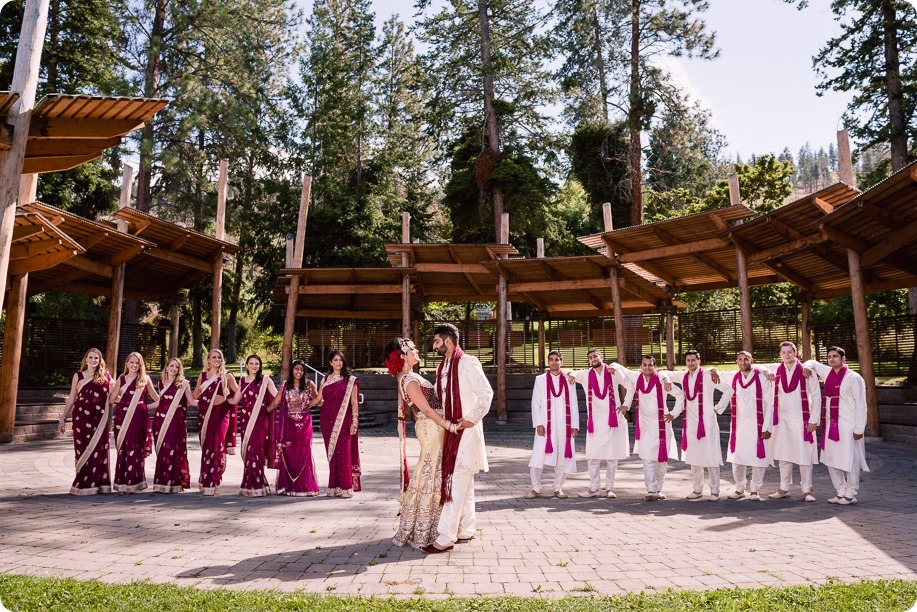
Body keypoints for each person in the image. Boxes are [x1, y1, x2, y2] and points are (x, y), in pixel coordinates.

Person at [429, 323, 494, 553]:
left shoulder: (467, 362)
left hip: (465, 431)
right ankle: (466, 529)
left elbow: (486, 393)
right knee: (464, 484)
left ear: (447, 341)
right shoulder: (443, 367)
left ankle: (445, 537)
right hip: (451, 431)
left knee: (456, 483)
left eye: (437, 341)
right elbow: (439, 396)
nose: (434, 345)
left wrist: (471, 418)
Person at [387, 338, 451, 550]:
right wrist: (447, 424)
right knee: (429, 471)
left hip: (432, 427)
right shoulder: (408, 379)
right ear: (403, 356)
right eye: (412, 349)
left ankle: (431, 524)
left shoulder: (409, 376)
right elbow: (426, 409)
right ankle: (424, 528)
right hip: (431, 427)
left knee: (432, 470)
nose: (416, 350)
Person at [662, 350, 733, 502]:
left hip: (707, 423)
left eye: (693, 360)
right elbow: (665, 373)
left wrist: (717, 408)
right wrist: (666, 379)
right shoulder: (683, 376)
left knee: (711, 457)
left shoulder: (708, 375)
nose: (691, 363)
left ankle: (715, 491)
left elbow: (729, 390)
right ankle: (697, 489)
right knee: (694, 458)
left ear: (699, 361)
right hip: (690, 423)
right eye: (688, 360)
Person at [613, 355, 683, 501]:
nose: (647, 367)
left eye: (650, 365)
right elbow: (621, 368)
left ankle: (658, 489)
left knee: (661, 460)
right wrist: (613, 366)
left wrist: (673, 414)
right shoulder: (636, 377)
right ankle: (651, 490)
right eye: (644, 365)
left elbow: (680, 394)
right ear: (640, 367)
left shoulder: (661, 380)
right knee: (647, 459)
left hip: (662, 425)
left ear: (655, 367)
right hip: (645, 426)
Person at [804, 347, 869, 505]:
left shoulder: (854, 378)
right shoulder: (827, 373)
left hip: (849, 426)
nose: (832, 359)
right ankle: (840, 491)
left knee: (850, 460)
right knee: (831, 459)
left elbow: (861, 405)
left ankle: (851, 493)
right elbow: (811, 362)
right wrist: (806, 367)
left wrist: (859, 429)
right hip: (830, 426)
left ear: (843, 358)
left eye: (835, 356)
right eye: (829, 357)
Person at [567, 349, 634, 499]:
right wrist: (570, 374)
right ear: (589, 361)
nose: (593, 359)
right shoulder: (585, 375)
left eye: (595, 356)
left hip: (613, 419)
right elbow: (570, 373)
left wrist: (626, 405)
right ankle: (594, 487)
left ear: (601, 357)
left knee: (612, 457)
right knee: (593, 456)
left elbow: (630, 386)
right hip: (595, 421)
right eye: (590, 357)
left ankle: (610, 488)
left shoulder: (613, 372)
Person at [710, 352, 775, 501]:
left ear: (752, 360)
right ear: (736, 361)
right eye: (739, 359)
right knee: (737, 457)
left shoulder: (761, 377)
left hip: (758, 424)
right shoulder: (732, 376)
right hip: (739, 424)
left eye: (746, 359)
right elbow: (714, 373)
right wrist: (713, 369)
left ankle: (755, 490)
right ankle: (739, 488)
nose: (743, 362)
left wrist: (767, 427)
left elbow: (769, 403)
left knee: (759, 458)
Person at [762, 341, 821, 502]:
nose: (787, 355)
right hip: (782, 419)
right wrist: (766, 370)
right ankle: (784, 488)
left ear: (796, 353)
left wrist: (813, 419)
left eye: (790, 352)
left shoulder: (806, 371)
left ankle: (806, 490)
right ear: (780, 355)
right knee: (784, 454)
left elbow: (816, 397)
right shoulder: (777, 370)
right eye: (783, 352)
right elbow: (755, 366)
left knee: (804, 455)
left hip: (802, 419)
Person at [58, 348, 113, 495]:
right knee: (81, 449)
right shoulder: (78, 376)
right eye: (91, 357)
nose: (93, 360)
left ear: (100, 360)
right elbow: (71, 398)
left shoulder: (105, 376)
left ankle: (99, 484)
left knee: (99, 449)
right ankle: (82, 483)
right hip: (81, 418)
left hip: (99, 419)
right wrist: (63, 417)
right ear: (86, 359)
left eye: (96, 358)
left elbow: (117, 390)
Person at [526, 350, 580, 500]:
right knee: (538, 455)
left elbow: (574, 403)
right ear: (548, 362)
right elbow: (535, 403)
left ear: (561, 362)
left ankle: (558, 487)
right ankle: (536, 487)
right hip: (546, 424)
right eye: (551, 359)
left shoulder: (569, 380)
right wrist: (538, 423)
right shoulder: (541, 379)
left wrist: (575, 424)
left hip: (564, 424)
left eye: (557, 359)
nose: (554, 362)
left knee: (563, 455)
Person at [267, 358, 320, 496]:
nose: (299, 372)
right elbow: (277, 401)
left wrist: (310, 405)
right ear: (292, 370)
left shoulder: (310, 385)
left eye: (302, 370)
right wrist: (266, 409)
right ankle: (289, 486)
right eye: (296, 369)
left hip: (304, 423)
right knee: (289, 454)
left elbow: (318, 399)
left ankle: (304, 486)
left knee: (304, 452)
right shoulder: (285, 385)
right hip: (288, 423)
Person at [111, 352, 158, 494]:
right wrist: (126, 401)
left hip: (139, 417)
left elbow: (158, 399)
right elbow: (112, 398)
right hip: (122, 417)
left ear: (141, 365)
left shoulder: (145, 379)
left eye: (137, 363)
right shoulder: (121, 379)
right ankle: (121, 484)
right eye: (131, 362)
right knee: (123, 449)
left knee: (135, 448)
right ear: (126, 364)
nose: (134, 365)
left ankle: (134, 484)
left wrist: (144, 407)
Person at [316, 350, 362, 498]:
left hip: (343, 419)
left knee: (343, 452)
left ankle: (345, 487)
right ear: (330, 362)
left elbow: (354, 402)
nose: (338, 362)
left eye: (340, 360)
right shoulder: (325, 379)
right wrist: (302, 405)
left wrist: (354, 421)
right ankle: (334, 486)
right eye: (335, 360)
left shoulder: (351, 380)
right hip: (326, 420)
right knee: (332, 454)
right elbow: (319, 400)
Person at [192, 348, 238, 496]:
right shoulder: (203, 376)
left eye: (219, 357)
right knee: (207, 448)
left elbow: (238, 392)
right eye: (214, 357)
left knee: (217, 447)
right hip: (205, 416)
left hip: (222, 415)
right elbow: (194, 395)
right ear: (208, 360)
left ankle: (215, 481)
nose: (217, 359)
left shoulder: (227, 375)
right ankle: (205, 481)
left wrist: (232, 400)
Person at [232, 354, 277, 498]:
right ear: (246, 366)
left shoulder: (266, 380)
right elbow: (234, 400)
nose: (254, 366)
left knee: (256, 449)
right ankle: (250, 484)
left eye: (257, 363)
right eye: (251, 363)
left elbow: (277, 396)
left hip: (260, 420)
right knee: (248, 451)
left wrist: (269, 408)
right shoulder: (243, 381)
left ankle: (257, 484)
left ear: (260, 365)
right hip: (245, 421)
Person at [151, 358, 196, 493]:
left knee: (174, 449)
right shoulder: (161, 383)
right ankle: (161, 482)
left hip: (176, 421)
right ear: (166, 367)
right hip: (160, 420)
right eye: (171, 366)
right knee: (163, 451)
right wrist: (141, 407)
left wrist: (211, 402)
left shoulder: (183, 384)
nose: (174, 369)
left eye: (177, 367)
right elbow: (160, 403)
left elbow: (192, 401)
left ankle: (174, 482)